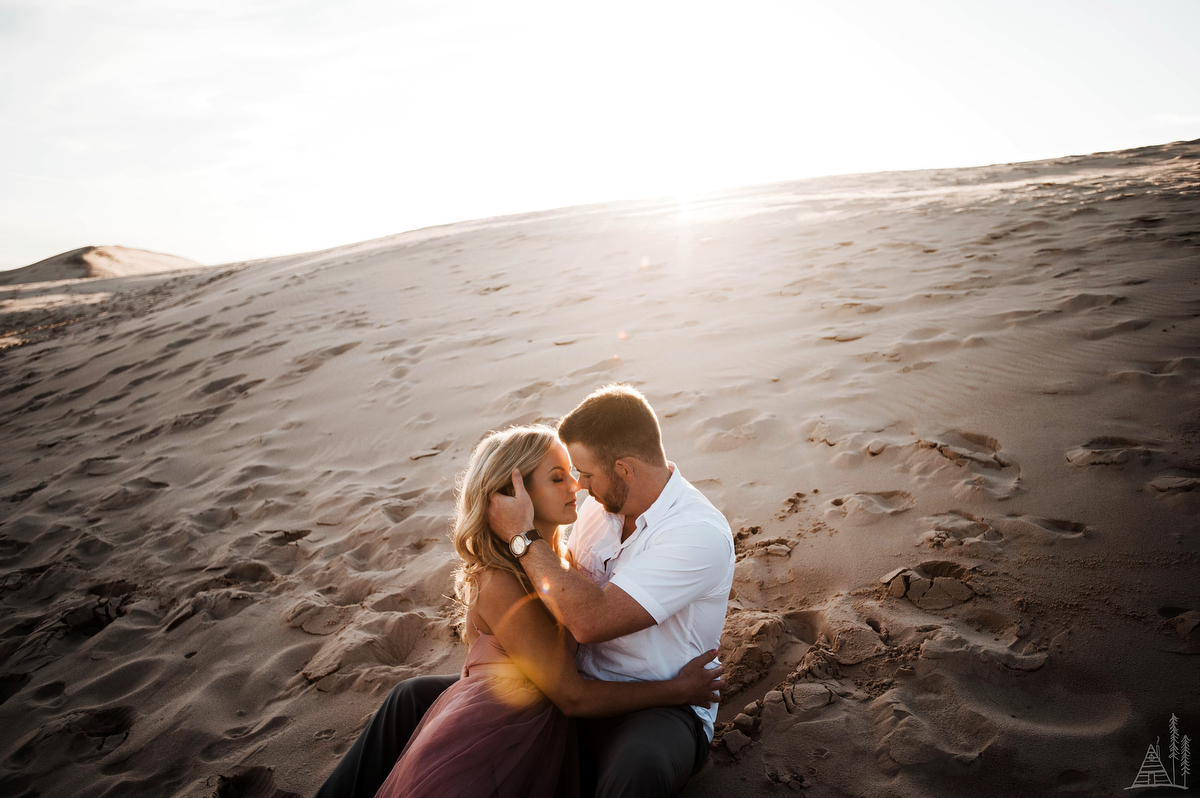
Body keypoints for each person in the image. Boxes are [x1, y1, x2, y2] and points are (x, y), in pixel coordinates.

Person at [313, 385, 735, 798]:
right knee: (410, 697)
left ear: (624, 469)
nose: (579, 487)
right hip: (566, 689)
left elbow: (587, 619)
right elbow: (555, 602)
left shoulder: (695, 533)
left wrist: (521, 535)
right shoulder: (598, 510)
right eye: (566, 476)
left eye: (584, 474)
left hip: (655, 704)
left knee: (637, 768)